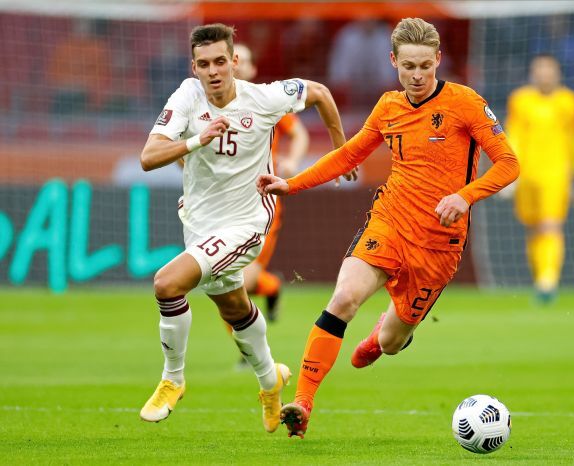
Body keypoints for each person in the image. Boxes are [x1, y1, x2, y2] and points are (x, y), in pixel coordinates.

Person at [257, 17, 519, 438]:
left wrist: (465, 196)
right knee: (344, 298)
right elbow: (349, 155)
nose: (417, 75)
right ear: (393, 61)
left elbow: (509, 164)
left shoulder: (465, 103)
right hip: (390, 221)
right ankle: (303, 403)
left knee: (393, 342)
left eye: (425, 66)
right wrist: (292, 183)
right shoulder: (388, 106)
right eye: (408, 66)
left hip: (439, 244)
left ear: (438, 59)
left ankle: (383, 334)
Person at [138, 23, 350, 433]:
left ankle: (172, 379)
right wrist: (196, 141)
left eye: (220, 61)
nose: (213, 71)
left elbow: (321, 93)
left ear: (234, 62)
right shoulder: (187, 96)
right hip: (200, 223)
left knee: (167, 284)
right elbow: (149, 156)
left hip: (247, 222)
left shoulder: (264, 98)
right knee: (235, 308)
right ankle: (271, 383)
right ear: (194, 67)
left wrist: (342, 152)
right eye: (204, 64)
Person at [505, 54, 574, 304]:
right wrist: (508, 172)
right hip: (526, 173)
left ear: (557, 74)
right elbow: (514, 136)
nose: (544, 75)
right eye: (539, 70)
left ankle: (548, 281)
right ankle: (540, 279)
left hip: (556, 173)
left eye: (548, 70)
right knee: (533, 227)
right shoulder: (520, 100)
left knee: (551, 225)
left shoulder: (569, 101)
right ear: (533, 74)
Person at [233, 43, 310, 322]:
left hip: (261, 201)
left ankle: (247, 344)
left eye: (242, 60)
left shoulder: (267, 101)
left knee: (239, 284)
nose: (236, 65)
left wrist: (292, 161)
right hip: (224, 202)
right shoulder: (208, 105)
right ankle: (271, 286)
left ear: (253, 69)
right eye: (231, 59)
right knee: (222, 281)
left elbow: (300, 134)